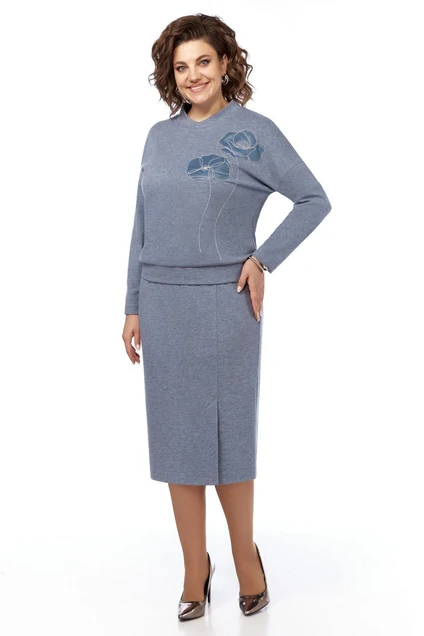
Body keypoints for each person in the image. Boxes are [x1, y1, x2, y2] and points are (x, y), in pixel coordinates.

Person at [122, 13, 331, 621]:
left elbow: (313, 199)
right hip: (162, 300)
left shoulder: (255, 132)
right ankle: (196, 566)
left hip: (225, 302)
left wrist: (263, 260)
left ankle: (245, 558)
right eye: (180, 67)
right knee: (176, 438)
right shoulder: (158, 137)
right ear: (170, 75)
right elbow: (141, 222)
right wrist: (132, 302)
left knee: (228, 434)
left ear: (226, 64)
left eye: (203, 62)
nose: (192, 75)